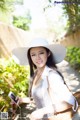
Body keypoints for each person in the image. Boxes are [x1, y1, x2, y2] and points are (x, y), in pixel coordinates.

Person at [12, 38, 78, 120]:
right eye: (33, 55)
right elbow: (40, 98)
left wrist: (43, 111)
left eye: (41, 53)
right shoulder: (36, 74)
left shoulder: (52, 76)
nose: (37, 58)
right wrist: (22, 100)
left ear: (48, 53)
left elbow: (71, 102)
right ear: (30, 57)